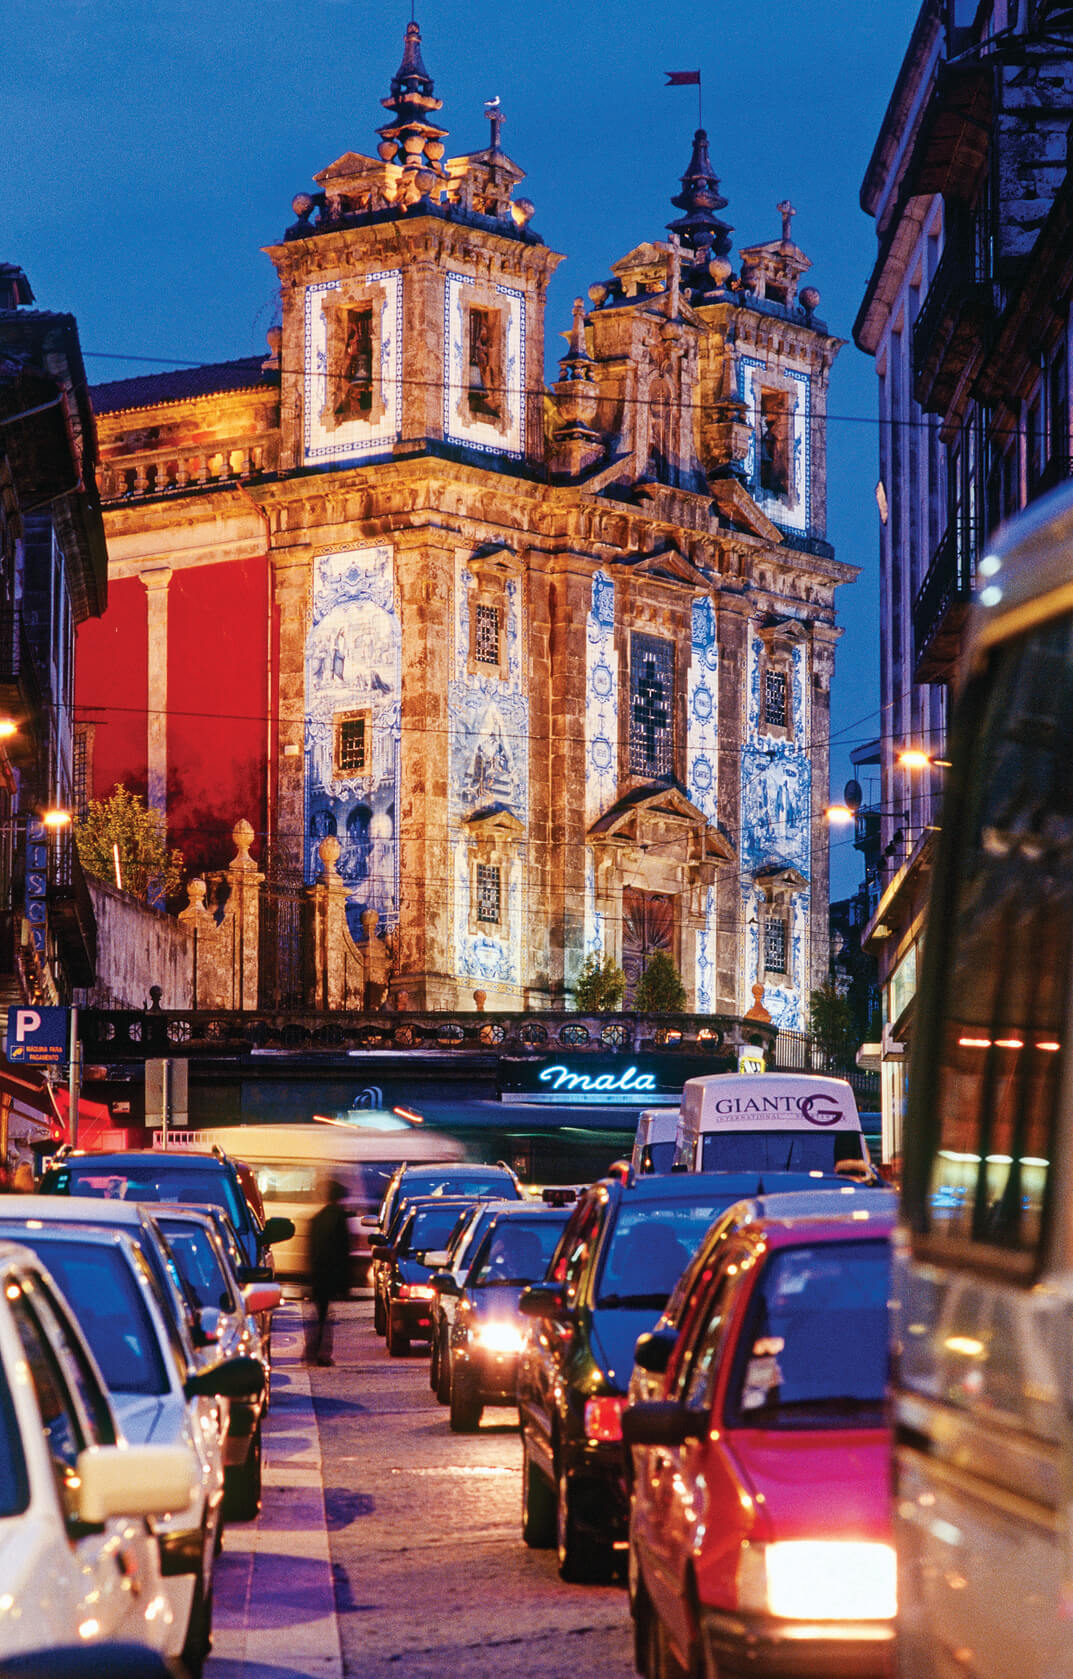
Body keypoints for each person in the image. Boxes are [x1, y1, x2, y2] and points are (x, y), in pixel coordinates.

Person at [306, 1178, 350, 1366]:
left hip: (318, 1274)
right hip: (331, 1273)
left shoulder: (317, 1219)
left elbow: (311, 1249)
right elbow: (343, 1251)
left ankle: (313, 1351)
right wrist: (345, 1282)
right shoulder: (339, 1218)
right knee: (324, 1316)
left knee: (320, 1314)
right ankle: (321, 1353)